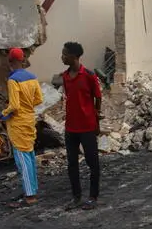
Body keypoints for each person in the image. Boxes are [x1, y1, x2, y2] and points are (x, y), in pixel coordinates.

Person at [0, 48, 43, 208]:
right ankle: (32, 189)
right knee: (30, 156)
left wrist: (2, 113)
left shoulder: (13, 80)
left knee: (22, 160)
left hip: (18, 124)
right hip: (29, 121)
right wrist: (27, 105)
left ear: (10, 61)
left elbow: (14, 105)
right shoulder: (32, 78)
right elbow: (39, 99)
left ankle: (30, 196)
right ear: (23, 60)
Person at [61, 42, 102, 210]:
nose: (62, 57)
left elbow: (98, 97)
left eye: (64, 54)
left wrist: (96, 119)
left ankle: (93, 196)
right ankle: (76, 196)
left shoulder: (89, 76)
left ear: (75, 56)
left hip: (87, 127)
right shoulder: (64, 76)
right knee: (72, 164)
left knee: (93, 163)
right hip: (70, 128)